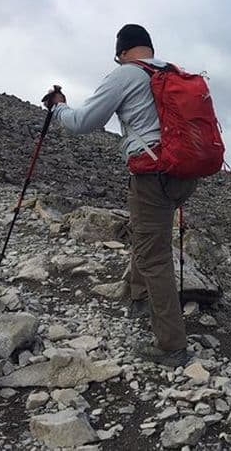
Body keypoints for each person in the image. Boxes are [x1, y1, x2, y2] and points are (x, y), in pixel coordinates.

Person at [44, 24, 195, 367]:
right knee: (145, 233)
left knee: (154, 255)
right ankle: (140, 298)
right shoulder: (173, 71)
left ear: (122, 52)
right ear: (149, 47)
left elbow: (83, 122)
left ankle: (171, 345)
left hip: (152, 174)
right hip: (185, 172)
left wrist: (58, 108)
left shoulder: (126, 74)